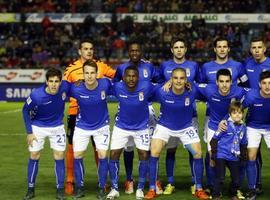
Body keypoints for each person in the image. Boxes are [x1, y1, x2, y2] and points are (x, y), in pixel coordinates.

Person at [144, 68, 209, 200]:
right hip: (165, 126)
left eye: (181, 78)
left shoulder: (193, 90)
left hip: (186, 127)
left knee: (198, 153)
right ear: (171, 79)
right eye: (175, 78)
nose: (178, 81)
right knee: (154, 151)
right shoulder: (161, 91)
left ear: (186, 80)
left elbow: (208, 95)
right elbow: (145, 95)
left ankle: (199, 188)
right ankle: (152, 188)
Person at [63, 38, 115, 195]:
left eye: (91, 48)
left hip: (98, 114)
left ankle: (103, 182)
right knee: (73, 148)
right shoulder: (71, 69)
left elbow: (116, 76)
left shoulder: (100, 66)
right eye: (85, 49)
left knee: (98, 149)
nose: (89, 51)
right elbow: (64, 87)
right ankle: (70, 180)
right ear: (79, 51)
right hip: (76, 113)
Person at [113, 41, 163, 195]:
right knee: (128, 146)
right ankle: (129, 179)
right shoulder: (122, 68)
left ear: (141, 52)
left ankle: (153, 179)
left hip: (147, 108)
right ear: (128, 52)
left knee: (149, 146)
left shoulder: (149, 66)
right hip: (127, 107)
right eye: (132, 51)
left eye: (137, 51)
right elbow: (115, 83)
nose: (135, 53)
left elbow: (159, 82)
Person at [200, 37, 248, 193]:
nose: (221, 49)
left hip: (233, 121)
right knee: (212, 154)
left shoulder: (237, 66)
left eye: (224, 46)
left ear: (228, 49)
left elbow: (246, 86)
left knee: (237, 154)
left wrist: (236, 111)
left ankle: (236, 187)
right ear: (215, 49)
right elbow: (197, 86)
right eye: (218, 46)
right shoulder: (206, 67)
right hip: (212, 119)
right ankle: (211, 185)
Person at [159, 37, 200, 195]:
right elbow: (158, 84)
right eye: (176, 47)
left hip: (191, 115)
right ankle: (170, 182)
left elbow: (200, 84)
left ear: (186, 49)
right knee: (171, 150)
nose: (179, 49)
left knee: (193, 150)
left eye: (182, 47)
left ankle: (194, 182)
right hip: (169, 116)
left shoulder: (193, 66)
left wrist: (192, 85)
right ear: (172, 50)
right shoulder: (164, 66)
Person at [107, 66, 154, 200]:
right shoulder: (117, 87)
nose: (131, 78)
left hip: (141, 128)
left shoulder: (147, 86)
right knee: (114, 154)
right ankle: (114, 188)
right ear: (123, 77)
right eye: (128, 76)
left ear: (138, 77)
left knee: (144, 155)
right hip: (121, 127)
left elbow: (162, 88)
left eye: (134, 76)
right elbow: (101, 85)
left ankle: (139, 188)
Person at [22, 68, 69, 200]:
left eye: (56, 81)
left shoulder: (65, 88)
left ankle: (60, 190)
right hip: (38, 127)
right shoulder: (37, 95)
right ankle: (30, 189)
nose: (54, 84)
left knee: (59, 156)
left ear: (61, 82)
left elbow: (75, 86)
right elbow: (25, 111)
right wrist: (29, 132)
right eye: (51, 81)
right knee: (34, 155)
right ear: (46, 82)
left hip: (57, 127)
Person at [69, 60, 111, 200]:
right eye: (86, 73)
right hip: (82, 126)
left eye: (92, 73)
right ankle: (80, 188)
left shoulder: (105, 84)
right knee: (77, 155)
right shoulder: (76, 88)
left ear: (97, 73)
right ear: (83, 73)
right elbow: (60, 87)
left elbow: (121, 85)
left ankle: (101, 187)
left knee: (103, 155)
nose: (89, 76)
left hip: (102, 126)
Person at [244, 37, 270, 194]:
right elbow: (241, 84)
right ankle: (256, 184)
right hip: (254, 114)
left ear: (264, 49)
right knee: (253, 154)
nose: (257, 50)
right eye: (254, 48)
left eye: (259, 47)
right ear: (251, 50)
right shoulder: (247, 65)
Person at [210, 101, 247, 200]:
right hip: (222, 155)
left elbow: (243, 142)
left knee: (236, 179)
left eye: (239, 113)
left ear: (243, 114)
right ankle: (216, 194)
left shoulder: (243, 127)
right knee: (220, 177)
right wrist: (214, 154)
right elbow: (213, 140)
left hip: (234, 156)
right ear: (230, 114)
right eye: (234, 113)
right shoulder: (225, 125)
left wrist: (244, 156)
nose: (237, 115)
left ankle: (232, 193)